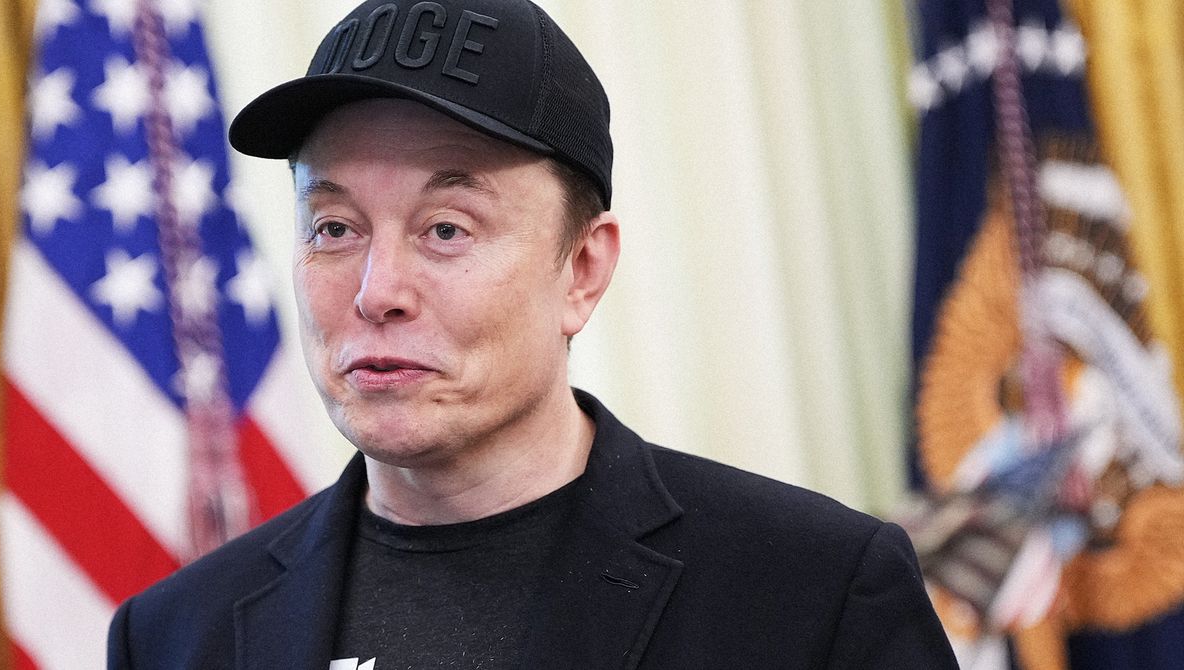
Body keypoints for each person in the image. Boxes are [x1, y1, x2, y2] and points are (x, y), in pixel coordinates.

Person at [107, 0, 958, 667]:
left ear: (582, 269)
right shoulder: (175, 636)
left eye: (446, 228)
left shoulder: (810, 592)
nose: (377, 291)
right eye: (334, 228)